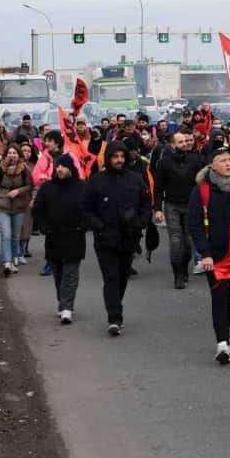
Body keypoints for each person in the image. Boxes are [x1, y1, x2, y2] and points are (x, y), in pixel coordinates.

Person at [82, 141, 152, 336]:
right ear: (109, 158)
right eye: (115, 156)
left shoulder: (136, 179)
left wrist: (142, 221)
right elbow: (86, 208)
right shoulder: (96, 181)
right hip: (105, 239)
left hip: (129, 238)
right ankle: (114, 317)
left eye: (122, 156)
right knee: (111, 278)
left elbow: (146, 203)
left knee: (121, 278)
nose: (119, 160)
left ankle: (116, 304)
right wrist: (98, 225)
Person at [188, 146, 230, 364]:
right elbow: (195, 224)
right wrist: (205, 254)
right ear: (213, 165)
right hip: (214, 255)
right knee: (219, 296)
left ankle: (226, 337)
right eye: (222, 160)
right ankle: (221, 343)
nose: (228, 164)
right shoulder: (202, 190)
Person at [32, 153, 87, 324]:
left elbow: (90, 208)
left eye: (62, 166)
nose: (59, 169)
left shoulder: (81, 187)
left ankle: (67, 307)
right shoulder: (47, 188)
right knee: (58, 273)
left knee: (71, 274)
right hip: (54, 237)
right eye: (57, 166)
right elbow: (38, 210)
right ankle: (62, 301)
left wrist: (84, 225)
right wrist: (43, 227)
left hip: (74, 236)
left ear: (70, 168)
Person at [153, 129, 205, 289]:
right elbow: (158, 187)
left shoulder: (196, 160)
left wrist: (204, 204)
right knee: (176, 240)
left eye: (186, 141)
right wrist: (158, 209)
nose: (184, 144)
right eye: (180, 142)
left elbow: (202, 184)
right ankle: (178, 275)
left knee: (188, 242)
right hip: (172, 205)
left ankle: (184, 268)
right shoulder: (164, 163)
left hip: (191, 205)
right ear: (173, 145)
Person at [0, 144, 34, 276]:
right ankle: (7, 262)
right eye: (10, 153)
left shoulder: (24, 168)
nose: (12, 155)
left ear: (19, 155)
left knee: (15, 236)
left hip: (19, 206)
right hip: (3, 205)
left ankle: (14, 257)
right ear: (6, 155)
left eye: (15, 153)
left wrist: (18, 191)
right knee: (6, 234)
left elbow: (30, 185)